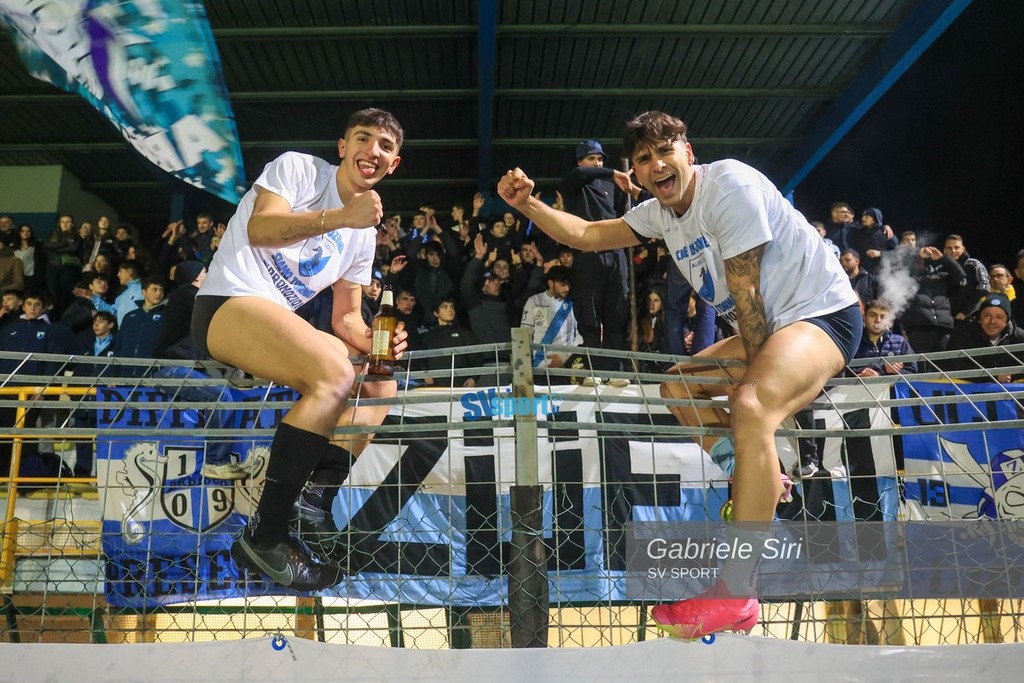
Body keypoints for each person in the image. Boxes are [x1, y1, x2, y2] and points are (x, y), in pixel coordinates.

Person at [497, 110, 861, 639]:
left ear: (688, 152)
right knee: (677, 385)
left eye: (665, 150)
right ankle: (751, 472)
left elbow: (746, 295)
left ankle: (736, 592)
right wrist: (527, 204)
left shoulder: (728, 185)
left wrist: (758, 404)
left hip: (821, 315)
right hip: (777, 326)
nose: (656, 164)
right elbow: (588, 235)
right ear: (635, 173)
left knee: (751, 405)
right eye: (643, 158)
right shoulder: (660, 214)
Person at [191, 108, 408, 591]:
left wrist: (378, 341)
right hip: (227, 302)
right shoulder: (298, 168)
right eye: (363, 138)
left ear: (393, 164)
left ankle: (314, 502)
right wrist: (342, 217)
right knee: (334, 372)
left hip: (271, 322)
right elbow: (260, 229)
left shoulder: (363, 234)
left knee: (379, 381)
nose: (372, 150)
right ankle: (266, 535)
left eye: (385, 146)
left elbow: (346, 318)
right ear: (343, 147)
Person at [942, 293, 1024, 382]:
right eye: (987, 316)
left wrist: (1011, 375)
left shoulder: (1019, 338)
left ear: (1007, 321)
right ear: (979, 318)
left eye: (999, 317)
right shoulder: (962, 334)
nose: (992, 321)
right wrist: (994, 376)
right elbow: (955, 366)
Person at [519, 265, 583, 370]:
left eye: (568, 284)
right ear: (550, 283)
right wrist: (524, 368)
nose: (567, 288)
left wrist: (563, 357)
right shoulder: (534, 301)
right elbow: (524, 335)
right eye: (562, 285)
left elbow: (580, 337)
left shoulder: (573, 303)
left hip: (567, 365)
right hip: (540, 366)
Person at [853, 300, 917, 377]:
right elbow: (845, 369)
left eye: (883, 316)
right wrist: (866, 373)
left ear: (889, 320)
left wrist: (887, 373)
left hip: (891, 385)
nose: (878, 320)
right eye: (872, 315)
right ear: (864, 318)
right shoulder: (854, 342)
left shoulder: (900, 342)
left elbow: (912, 369)